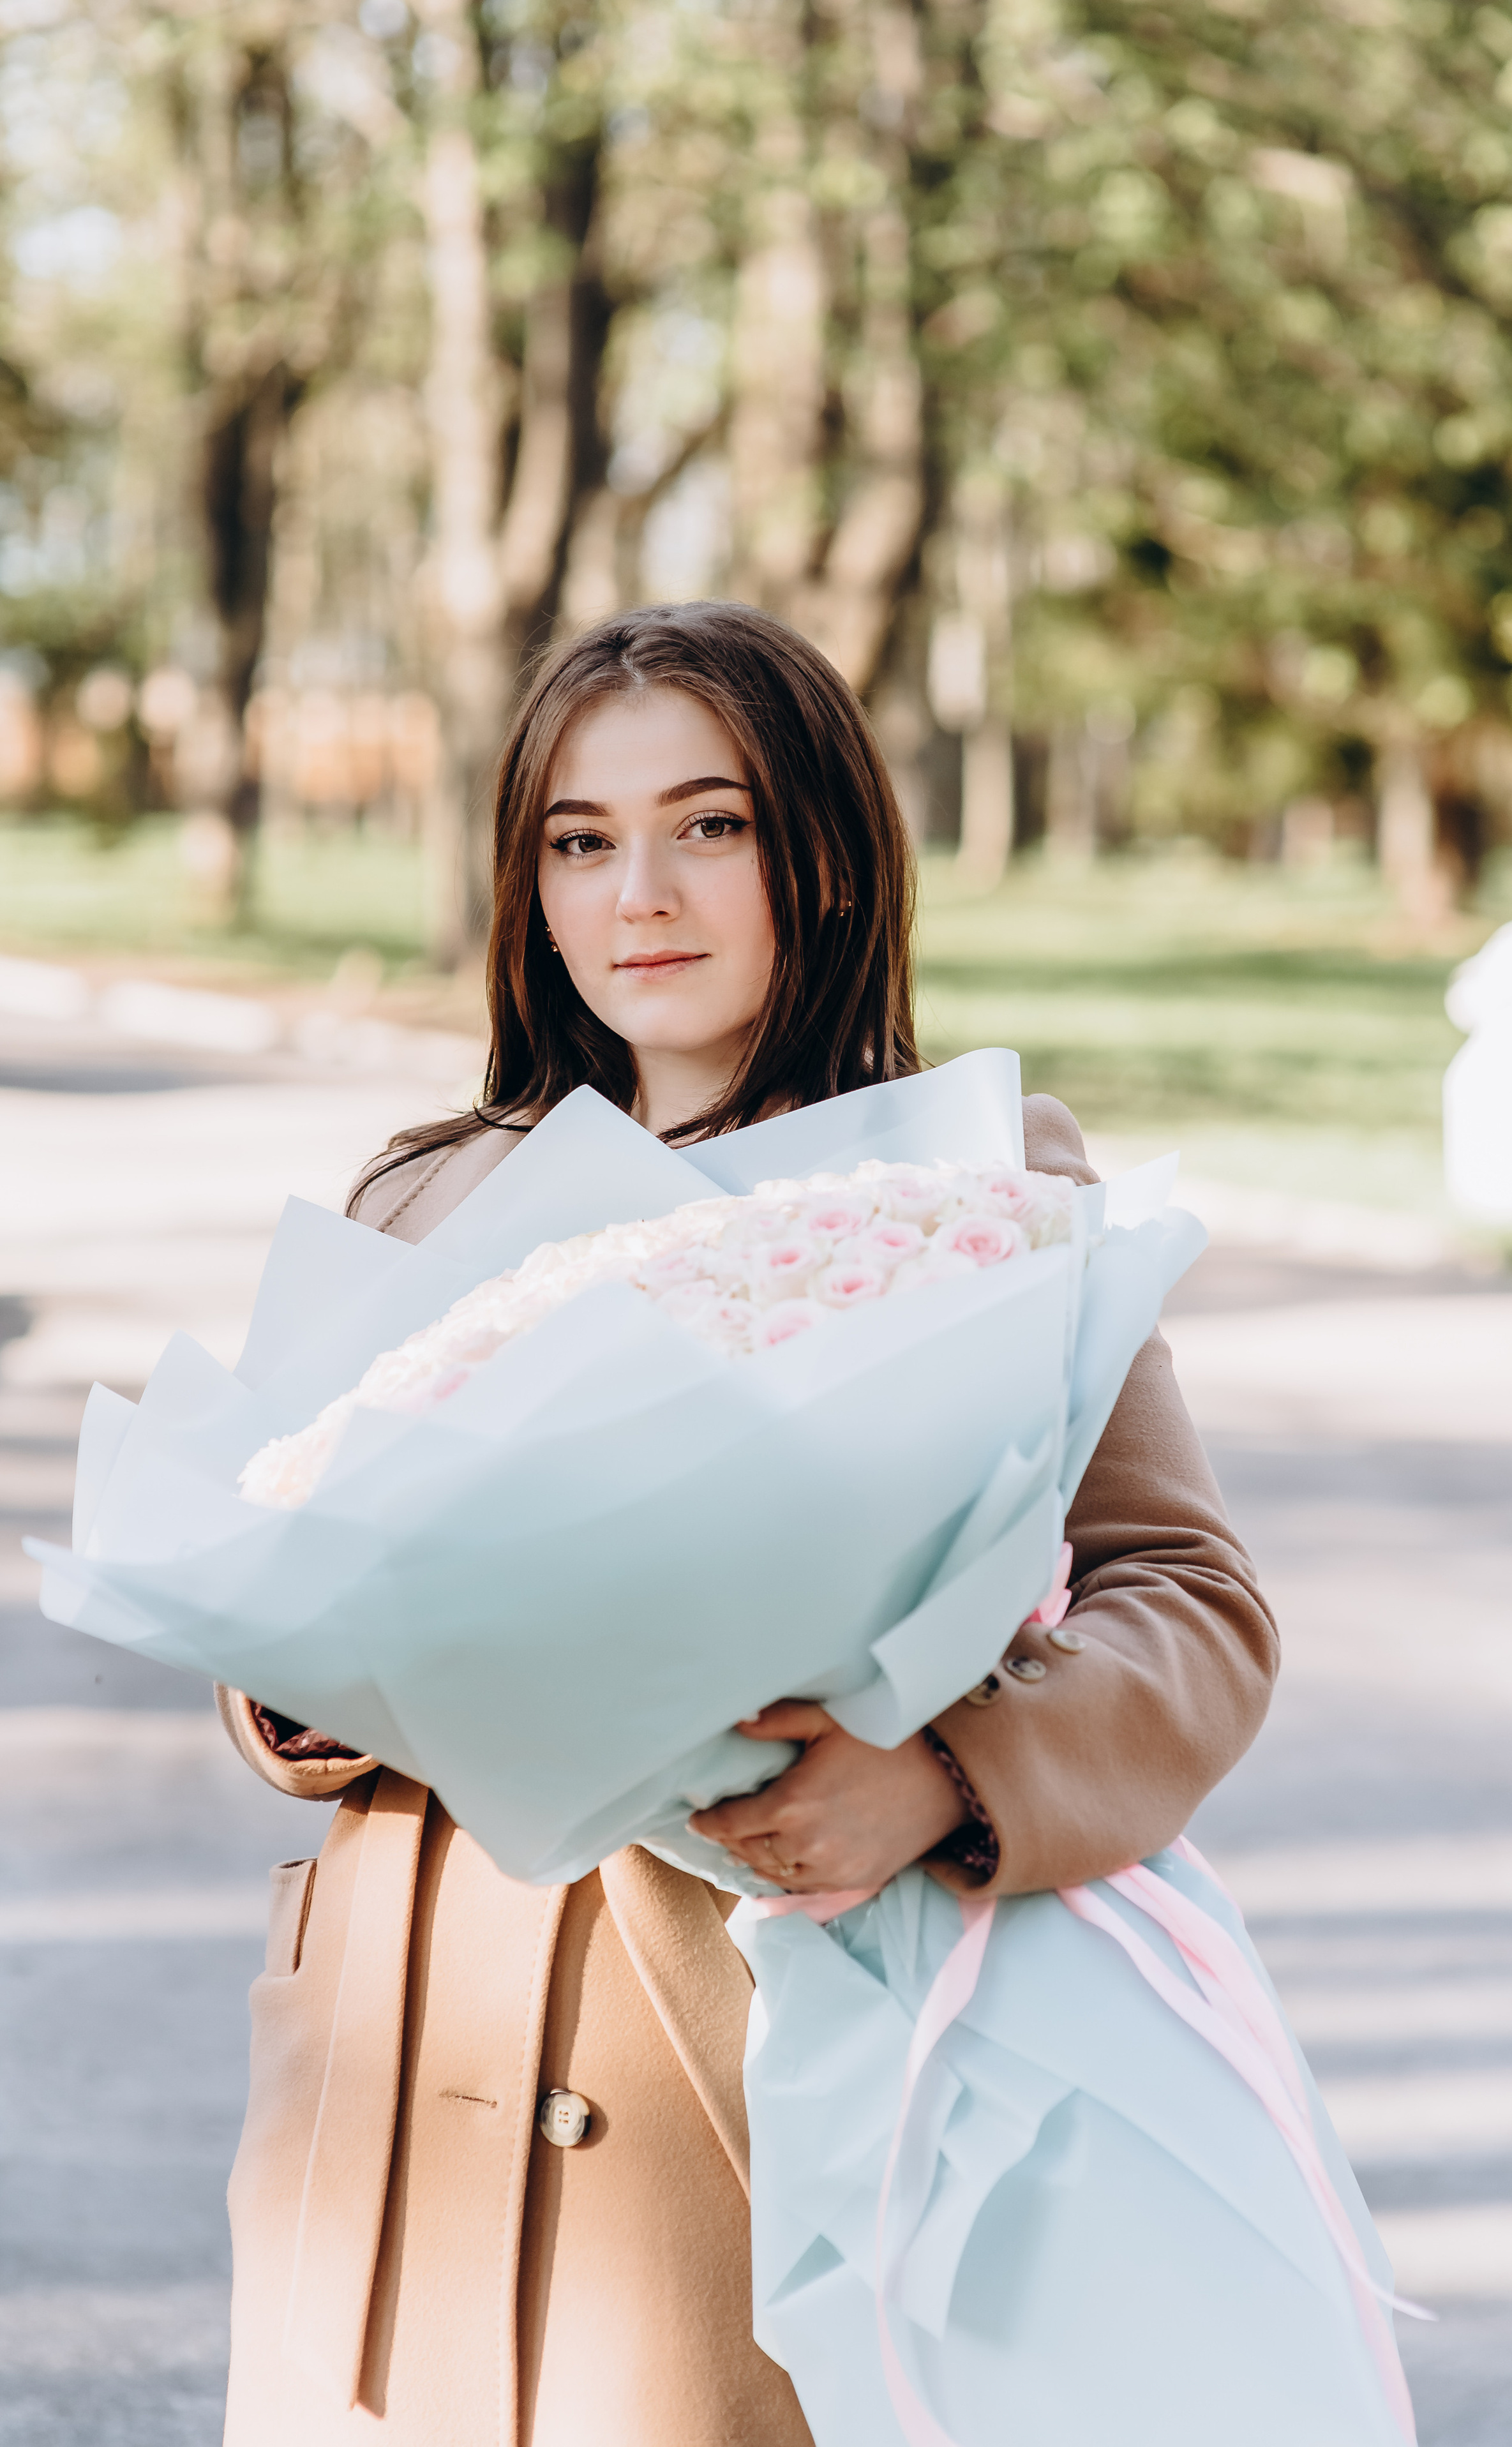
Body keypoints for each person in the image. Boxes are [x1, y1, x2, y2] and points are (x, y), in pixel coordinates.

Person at [215, 601, 1277, 2446]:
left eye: (711, 824)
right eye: (582, 837)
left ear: (828, 858)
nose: (644, 892)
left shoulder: (979, 1190)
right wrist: (300, 1688)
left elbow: (1190, 1599)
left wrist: (950, 1771)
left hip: (741, 2062)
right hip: (405, 2070)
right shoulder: (418, 1202)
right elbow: (267, 1589)